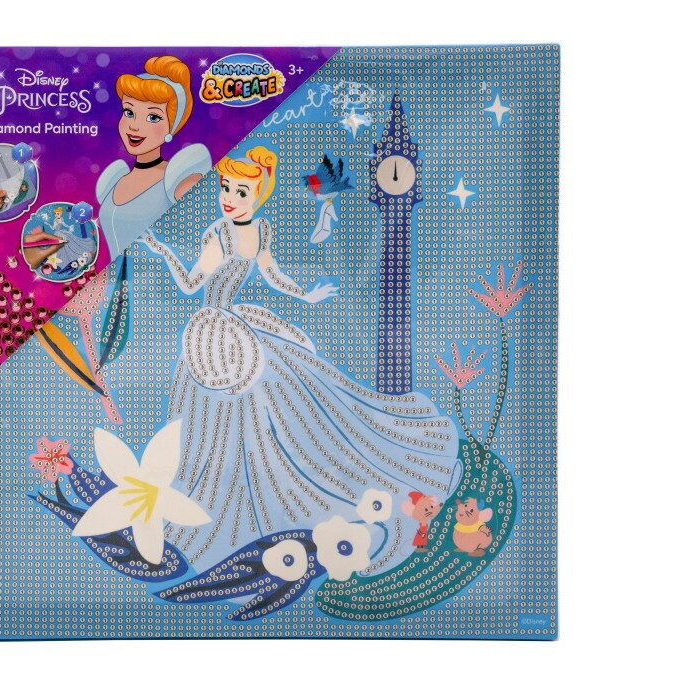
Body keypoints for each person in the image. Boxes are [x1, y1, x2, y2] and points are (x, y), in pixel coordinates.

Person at [142, 146, 463, 574]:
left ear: (259, 194)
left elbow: (272, 275)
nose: (229, 197)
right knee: (216, 431)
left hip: (238, 331)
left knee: (296, 407)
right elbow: (190, 284)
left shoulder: (258, 231)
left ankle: (296, 499)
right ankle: (227, 511)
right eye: (226, 187)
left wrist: (304, 294)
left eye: (241, 190)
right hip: (216, 339)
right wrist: (162, 250)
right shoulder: (218, 233)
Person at [95, 55, 212, 259]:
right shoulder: (113, 179)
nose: (134, 126)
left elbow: (198, 247)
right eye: (129, 112)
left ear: (171, 127)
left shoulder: (179, 178)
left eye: (153, 117)